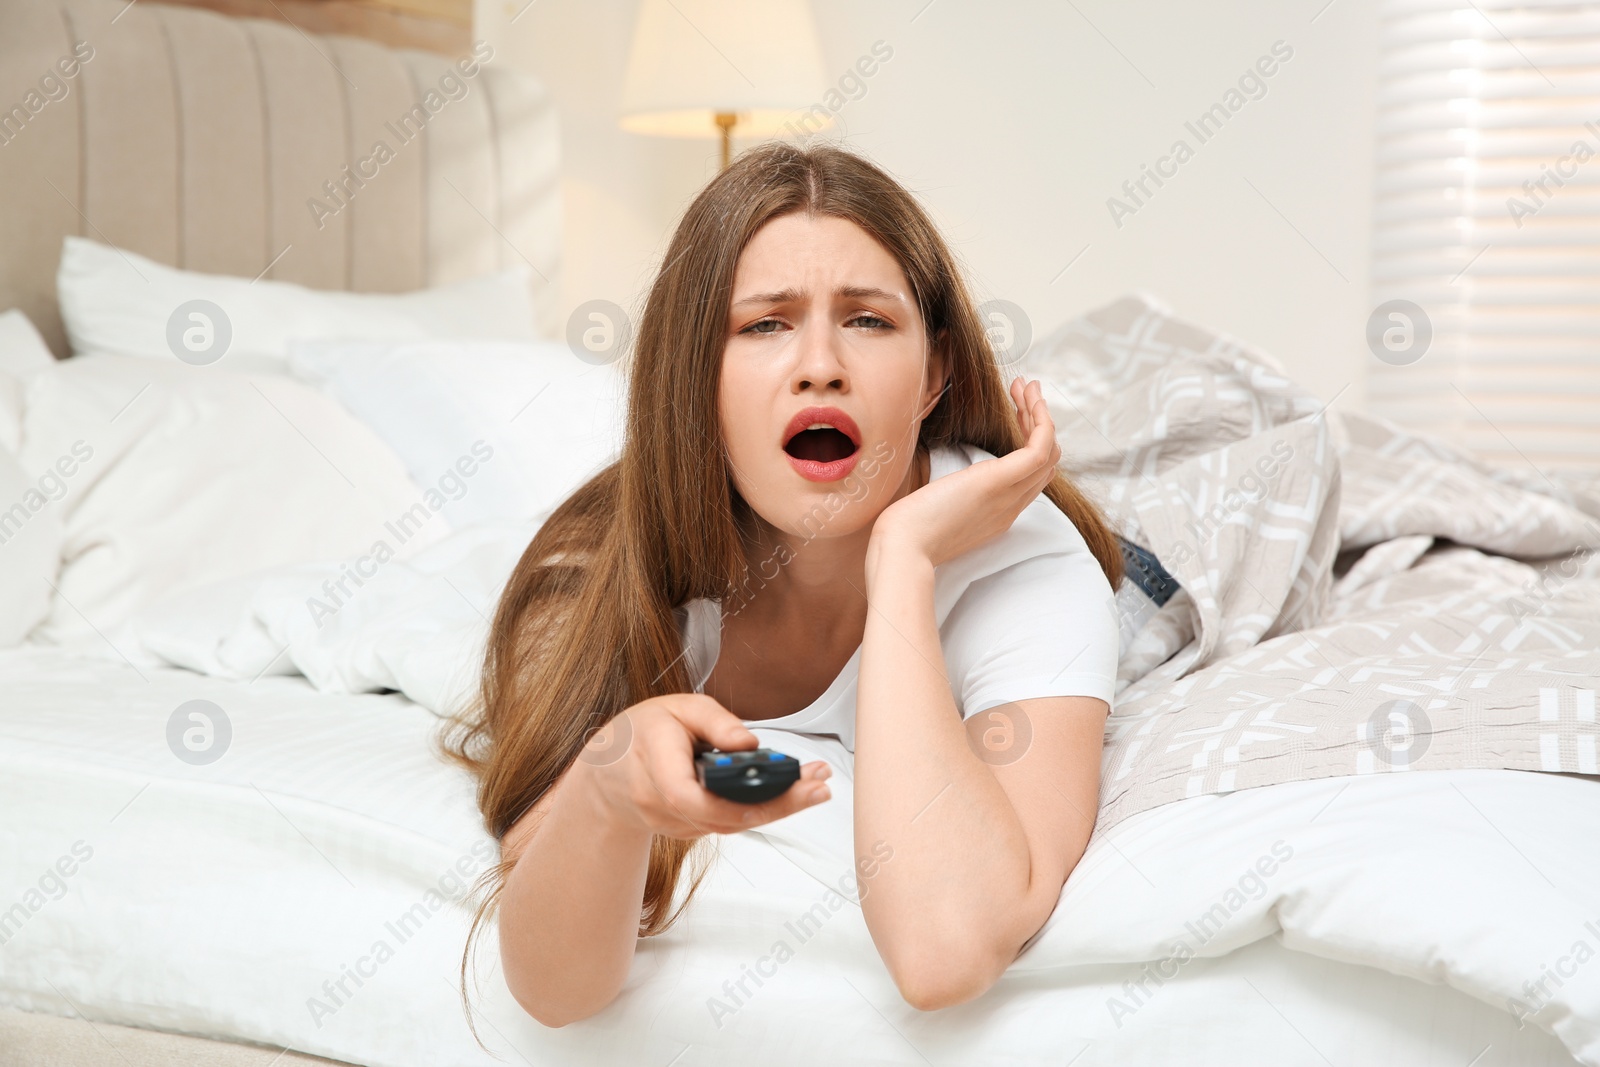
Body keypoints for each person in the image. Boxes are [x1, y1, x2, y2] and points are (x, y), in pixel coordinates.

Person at [443, 142, 1124, 1026]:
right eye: (765, 323)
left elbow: (944, 949)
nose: (820, 364)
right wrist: (607, 790)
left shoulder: (1027, 563)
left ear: (937, 375)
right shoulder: (599, 570)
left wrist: (905, 561)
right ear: (696, 376)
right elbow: (554, 993)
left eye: (869, 321)